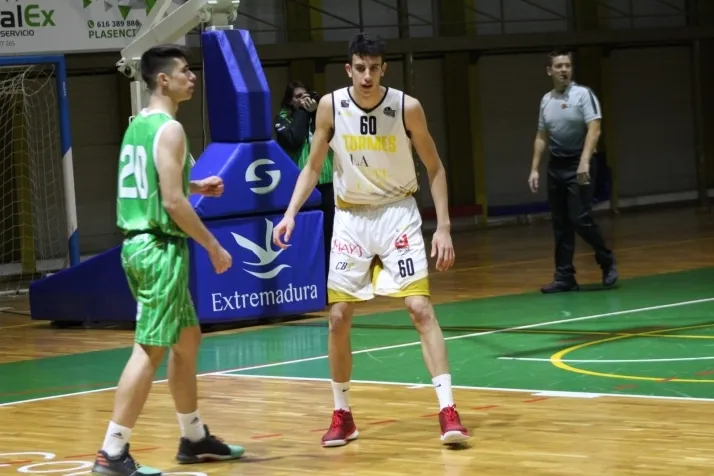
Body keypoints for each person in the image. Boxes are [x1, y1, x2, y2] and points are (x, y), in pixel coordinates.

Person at [272, 32, 469, 447]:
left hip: (397, 213)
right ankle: (342, 414)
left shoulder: (406, 107)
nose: (366, 76)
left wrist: (444, 226)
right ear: (349, 69)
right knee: (338, 317)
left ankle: (448, 410)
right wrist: (289, 213)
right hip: (351, 217)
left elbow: (435, 168)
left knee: (419, 309)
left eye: (374, 68)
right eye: (360, 68)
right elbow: (312, 167)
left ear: (384, 69)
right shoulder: (330, 106)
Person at [92, 44, 245, 476]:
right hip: (158, 248)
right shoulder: (171, 129)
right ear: (164, 79)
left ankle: (193, 438)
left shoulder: (139, 125)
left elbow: (152, 182)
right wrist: (213, 246)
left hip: (140, 244)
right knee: (150, 348)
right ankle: (112, 452)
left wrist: (196, 184)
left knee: (188, 338)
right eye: (184, 71)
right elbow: (172, 203)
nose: (192, 77)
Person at [529, 48, 618, 294]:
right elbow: (541, 136)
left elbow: (595, 129)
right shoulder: (546, 100)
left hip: (580, 163)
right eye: (559, 66)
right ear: (549, 71)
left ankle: (606, 259)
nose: (564, 70)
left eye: (567, 65)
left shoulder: (583, 95)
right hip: (556, 166)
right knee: (560, 223)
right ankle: (564, 276)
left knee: (579, 218)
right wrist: (534, 169)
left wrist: (585, 161)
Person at [274, 81, 335, 291]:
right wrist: (303, 112)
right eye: (298, 97)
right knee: (305, 237)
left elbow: (333, 135)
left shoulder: (319, 116)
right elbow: (294, 140)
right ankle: (307, 284)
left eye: (306, 95)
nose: (303, 100)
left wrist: (316, 112)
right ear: (290, 100)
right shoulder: (282, 118)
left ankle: (330, 284)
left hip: (326, 183)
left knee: (330, 235)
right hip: (300, 187)